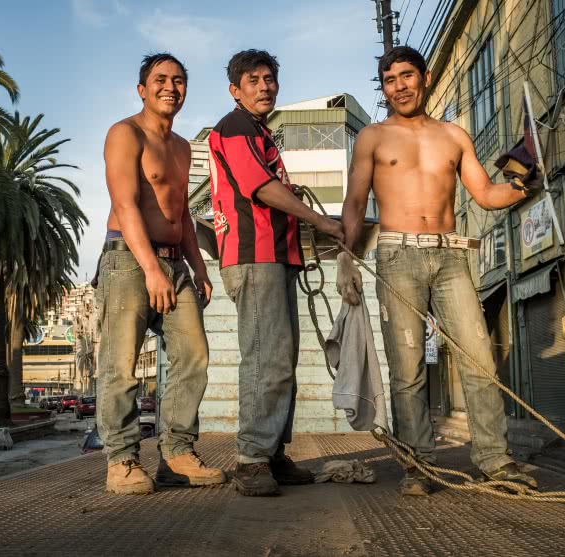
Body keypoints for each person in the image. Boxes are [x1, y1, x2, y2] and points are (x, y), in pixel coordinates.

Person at [338, 46, 541, 496]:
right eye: (389, 80)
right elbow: (354, 203)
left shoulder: (454, 135)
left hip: (450, 256)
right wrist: (346, 258)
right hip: (397, 256)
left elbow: (486, 194)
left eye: (406, 76)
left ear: (424, 78)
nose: (399, 87)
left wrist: (524, 187)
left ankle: (494, 460)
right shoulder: (372, 137)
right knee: (407, 369)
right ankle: (418, 465)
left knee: (479, 358)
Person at [208, 49, 344, 496]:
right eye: (253, 80)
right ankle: (250, 460)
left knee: (281, 360)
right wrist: (320, 220)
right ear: (235, 90)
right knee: (265, 358)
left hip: (278, 256)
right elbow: (259, 187)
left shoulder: (261, 134)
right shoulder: (235, 128)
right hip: (254, 256)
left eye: (269, 79)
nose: (264, 86)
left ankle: (272, 454)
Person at [96, 53, 224, 495]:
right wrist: (152, 269)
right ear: (142, 89)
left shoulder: (184, 146)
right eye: (160, 79)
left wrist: (198, 265)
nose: (171, 87)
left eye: (179, 80)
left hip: (175, 259)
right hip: (129, 260)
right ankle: (122, 461)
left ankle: (177, 454)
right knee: (121, 366)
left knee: (194, 356)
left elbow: (181, 214)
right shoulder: (124, 133)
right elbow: (127, 203)